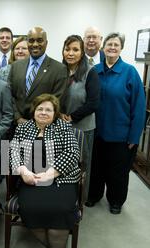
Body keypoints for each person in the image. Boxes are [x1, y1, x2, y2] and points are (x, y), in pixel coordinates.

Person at [10, 93, 81, 248]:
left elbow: (73, 152)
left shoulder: (63, 127)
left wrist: (50, 174)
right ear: (34, 110)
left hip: (61, 180)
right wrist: (23, 171)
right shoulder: (24, 128)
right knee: (30, 209)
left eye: (48, 109)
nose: (43, 112)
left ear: (55, 112)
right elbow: (14, 151)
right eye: (40, 108)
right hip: (31, 180)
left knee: (61, 210)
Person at [86, 32, 146, 214]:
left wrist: (134, 136)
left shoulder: (130, 72)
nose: (112, 47)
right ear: (103, 47)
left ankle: (116, 201)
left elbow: (139, 107)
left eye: (116, 45)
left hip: (121, 135)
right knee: (96, 169)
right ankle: (94, 195)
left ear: (121, 48)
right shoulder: (95, 70)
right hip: (96, 132)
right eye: (109, 44)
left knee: (117, 173)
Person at [61, 34, 100, 199]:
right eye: (67, 49)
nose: (70, 53)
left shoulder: (90, 72)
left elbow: (93, 103)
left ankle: (79, 200)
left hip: (83, 128)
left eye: (75, 50)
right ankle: (63, 197)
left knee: (81, 165)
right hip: (61, 126)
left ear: (82, 51)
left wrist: (71, 117)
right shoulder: (59, 70)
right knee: (63, 163)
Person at [9, 27, 68, 125]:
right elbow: (9, 95)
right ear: (27, 42)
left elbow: (57, 101)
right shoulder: (16, 66)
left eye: (39, 40)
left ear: (46, 43)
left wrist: (37, 122)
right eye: (31, 41)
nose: (35, 44)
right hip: (16, 126)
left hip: (43, 128)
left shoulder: (59, 69)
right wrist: (18, 117)